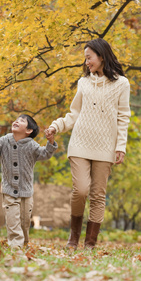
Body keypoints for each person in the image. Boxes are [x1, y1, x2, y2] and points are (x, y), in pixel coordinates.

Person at [45, 38, 131, 249]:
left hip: (106, 146)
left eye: (89, 58)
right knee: (81, 190)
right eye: (85, 59)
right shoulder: (84, 82)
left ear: (101, 56)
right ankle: (73, 237)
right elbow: (74, 113)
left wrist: (121, 146)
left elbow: (123, 117)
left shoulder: (122, 83)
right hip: (80, 143)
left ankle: (90, 243)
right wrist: (56, 126)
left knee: (98, 195)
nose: (86, 63)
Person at [0, 114, 57, 249]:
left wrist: (51, 142)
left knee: (24, 223)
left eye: (22, 121)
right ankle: (15, 246)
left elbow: (45, 154)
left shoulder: (32, 145)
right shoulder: (5, 140)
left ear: (29, 131)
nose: (17, 121)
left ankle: (23, 244)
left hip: (26, 192)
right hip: (9, 190)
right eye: (16, 120)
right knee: (12, 220)